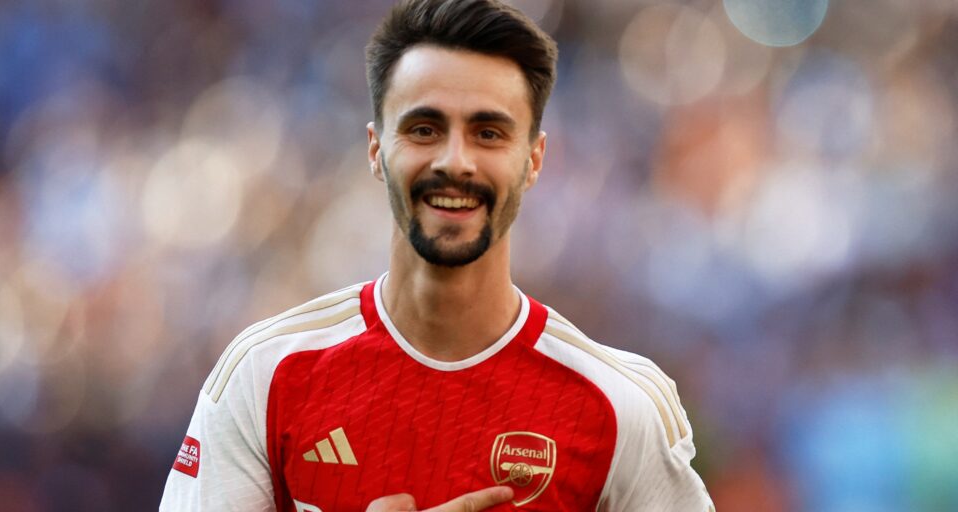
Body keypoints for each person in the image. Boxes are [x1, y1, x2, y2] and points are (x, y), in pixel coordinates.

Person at [160, 0, 714, 510]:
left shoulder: (620, 406)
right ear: (377, 150)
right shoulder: (266, 374)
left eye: (488, 133)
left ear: (534, 159)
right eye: (425, 129)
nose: (456, 161)